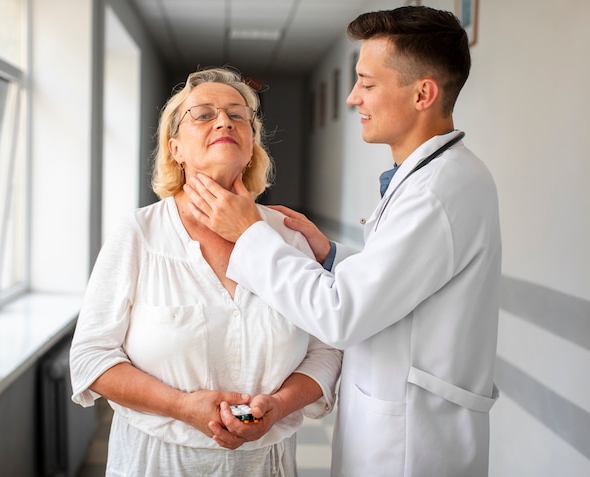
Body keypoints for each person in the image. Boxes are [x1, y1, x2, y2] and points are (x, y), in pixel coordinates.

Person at [184, 6, 501, 477]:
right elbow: (398, 281)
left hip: (413, 446)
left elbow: (340, 314)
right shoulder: (429, 180)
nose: (353, 98)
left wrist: (248, 234)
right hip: (399, 425)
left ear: (423, 94)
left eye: (367, 84)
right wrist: (331, 256)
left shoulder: (437, 192)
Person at [69, 67, 342, 477]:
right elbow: (91, 357)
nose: (224, 121)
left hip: (265, 464)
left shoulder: (288, 236)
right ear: (174, 147)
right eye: (203, 114)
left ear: (251, 145)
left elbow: (326, 350)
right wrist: (181, 406)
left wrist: (281, 404)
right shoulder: (139, 234)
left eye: (238, 115)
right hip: (156, 463)